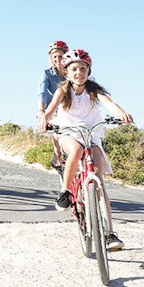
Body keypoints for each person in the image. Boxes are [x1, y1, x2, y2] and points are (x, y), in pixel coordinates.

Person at [38, 48, 133, 251]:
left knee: (99, 182)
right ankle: (65, 193)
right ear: (67, 71)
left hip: (92, 135)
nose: (78, 73)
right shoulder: (63, 90)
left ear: (88, 71)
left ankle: (109, 233)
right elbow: (51, 108)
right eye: (74, 69)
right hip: (68, 134)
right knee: (76, 151)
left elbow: (109, 103)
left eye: (83, 68)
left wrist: (123, 114)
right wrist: (44, 120)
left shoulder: (93, 90)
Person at [39, 40, 69, 170]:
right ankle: (57, 155)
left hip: (69, 108)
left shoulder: (72, 72)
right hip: (53, 109)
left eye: (60, 56)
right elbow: (42, 93)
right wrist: (41, 111)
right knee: (56, 127)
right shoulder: (47, 74)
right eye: (54, 56)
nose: (57, 59)